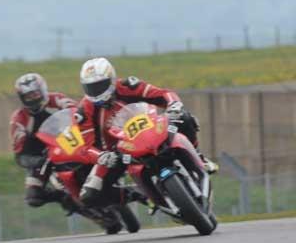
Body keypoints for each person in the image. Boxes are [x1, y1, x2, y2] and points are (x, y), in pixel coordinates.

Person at [76, 57, 217, 207]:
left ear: (111, 79)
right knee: (89, 196)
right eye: (90, 87)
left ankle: (199, 156)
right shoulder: (84, 110)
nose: (95, 91)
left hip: (152, 130)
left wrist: (174, 104)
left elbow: (164, 94)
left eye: (100, 85)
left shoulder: (127, 85)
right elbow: (86, 147)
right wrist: (101, 156)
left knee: (185, 118)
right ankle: (140, 195)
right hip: (117, 153)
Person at [9, 72, 79, 210]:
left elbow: (79, 113)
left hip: (68, 143)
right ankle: (61, 197)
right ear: (21, 98)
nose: (32, 99)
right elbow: (20, 155)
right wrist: (36, 161)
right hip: (42, 157)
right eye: (27, 96)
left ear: (43, 90)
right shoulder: (19, 120)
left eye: (35, 94)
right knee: (33, 198)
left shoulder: (58, 99)